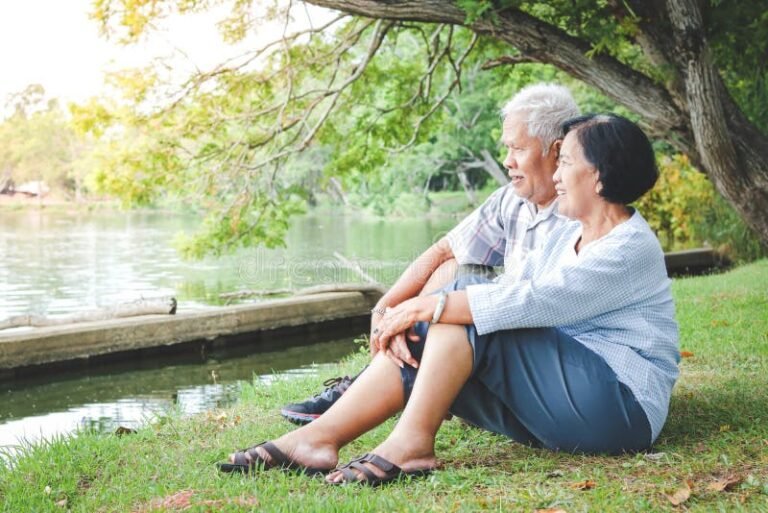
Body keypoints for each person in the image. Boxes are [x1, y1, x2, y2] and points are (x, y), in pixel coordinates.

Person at [219, 113, 679, 485]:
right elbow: (505, 291)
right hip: (564, 407)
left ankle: (409, 446)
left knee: (461, 301)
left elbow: (533, 302)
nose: (555, 174)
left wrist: (423, 306)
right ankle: (317, 440)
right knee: (442, 324)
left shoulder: (628, 246)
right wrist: (418, 321)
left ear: (598, 176)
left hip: (620, 410)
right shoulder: (569, 235)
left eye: (567, 163)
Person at [280, 82, 579, 424]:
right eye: (506, 148)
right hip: (495, 339)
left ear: (556, 150)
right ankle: (384, 375)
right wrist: (385, 309)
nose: (507, 161)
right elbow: (442, 250)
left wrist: (421, 311)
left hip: (546, 363)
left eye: (518, 149)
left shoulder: (583, 214)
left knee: (459, 290)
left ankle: (379, 386)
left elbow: (536, 306)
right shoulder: (512, 200)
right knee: (452, 267)